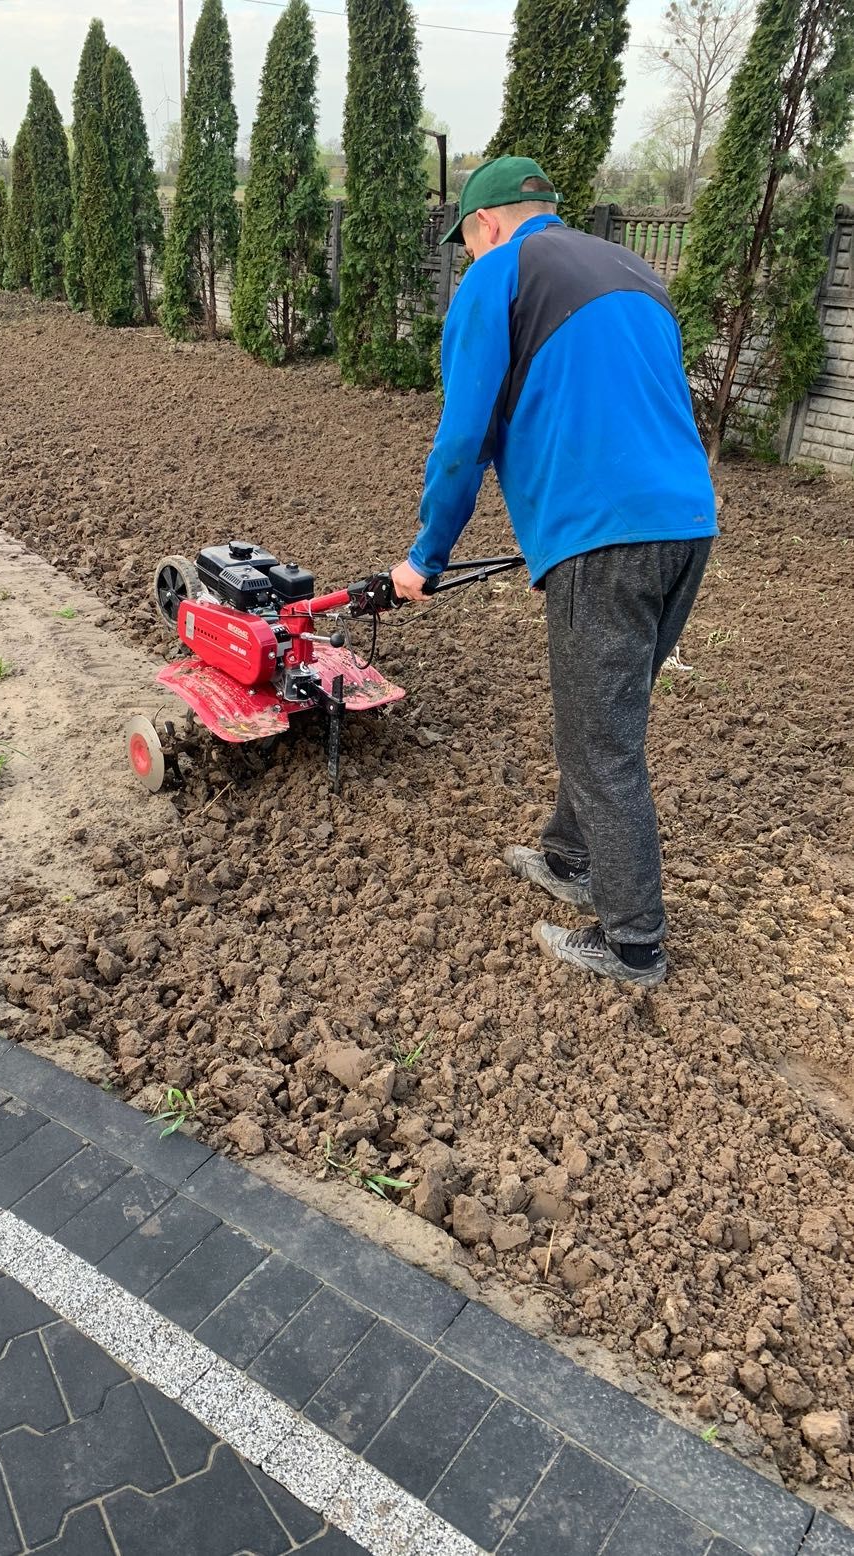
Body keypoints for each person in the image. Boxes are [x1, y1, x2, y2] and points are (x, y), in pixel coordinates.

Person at [390, 155, 717, 988]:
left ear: (486, 223)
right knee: (607, 709)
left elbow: (463, 439)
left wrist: (426, 556)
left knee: (603, 742)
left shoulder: (498, 274)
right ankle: (571, 858)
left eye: (467, 242)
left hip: (602, 537)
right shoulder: (635, 270)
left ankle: (633, 942)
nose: (470, 255)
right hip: (687, 522)